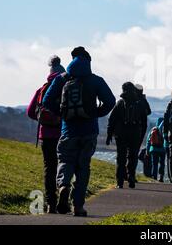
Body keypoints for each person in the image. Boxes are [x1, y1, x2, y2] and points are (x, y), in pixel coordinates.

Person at [43, 47, 115, 217]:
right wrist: (96, 113)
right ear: (88, 61)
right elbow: (110, 101)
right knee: (83, 167)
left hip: (68, 130)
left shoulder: (62, 79)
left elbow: (47, 100)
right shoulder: (95, 80)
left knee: (65, 161)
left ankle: (63, 186)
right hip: (89, 131)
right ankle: (78, 206)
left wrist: (62, 114)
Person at [26, 55, 65, 214]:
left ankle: (51, 204)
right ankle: (65, 193)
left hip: (46, 135)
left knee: (49, 169)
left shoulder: (42, 88)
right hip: (64, 133)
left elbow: (30, 112)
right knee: (65, 166)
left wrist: (43, 120)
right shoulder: (66, 87)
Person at [106, 82, 147, 189]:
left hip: (121, 134)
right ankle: (131, 176)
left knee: (121, 157)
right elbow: (144, 122)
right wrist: (141, 135)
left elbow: (112, 119)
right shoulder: (139, 104)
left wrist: (109, 134)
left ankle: (120, 181)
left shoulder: (120, 103)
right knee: (132, 157)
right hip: (135, 134)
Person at [146, 117, 167, 182]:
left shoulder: (153, 129)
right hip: (162, 149)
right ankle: (161, 177)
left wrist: (147, 150)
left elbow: (148, 141)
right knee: (162, 163)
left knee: (154, 163)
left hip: (153, 149)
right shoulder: (165, 129)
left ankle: (154, 177)